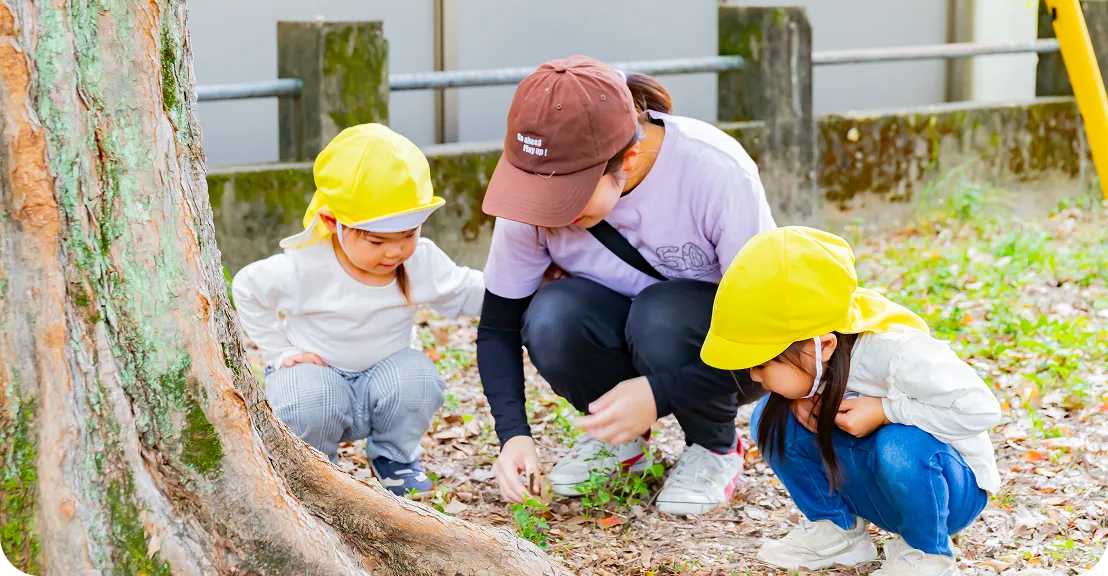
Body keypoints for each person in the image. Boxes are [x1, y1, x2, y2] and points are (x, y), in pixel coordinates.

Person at [476, 55, 775, 516]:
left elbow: (766, 329)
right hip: (616, 329)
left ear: (628, 159)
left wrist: (662, 393)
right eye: (542, 195)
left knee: (662, 313)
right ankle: (623, 445)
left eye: (568, 196)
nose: (550, 211)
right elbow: (498, 327)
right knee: (553, 315)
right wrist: (513, 433)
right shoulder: (536, 180)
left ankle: (714, 448)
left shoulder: (714, 170)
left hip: (722, 351)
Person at [699, 226, 1002, 575]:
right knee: (772, 418)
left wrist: (887, 411)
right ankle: (838, 531)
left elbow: (981, 409)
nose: (753, 375)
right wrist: (804, 396)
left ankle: (927, 554)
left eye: (763, 363)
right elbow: (806, 384)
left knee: (899, 443)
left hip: (947, 491)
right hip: (879, 486)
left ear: (823, 345)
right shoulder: (818, 355)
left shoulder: (896, 351)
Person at [233, 124, 484, 496]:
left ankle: (394, 457)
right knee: (306, 401)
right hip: (317, 380)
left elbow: (464, 290)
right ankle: (314, 470)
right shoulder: (305, 265)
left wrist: (523, 290)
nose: (394, 252)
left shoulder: (419, 263)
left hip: (383, 382)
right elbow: (246, 288)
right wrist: (279, 351)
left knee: (419, 379)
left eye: (408, 235)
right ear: (334, 224)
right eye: (377, 240)